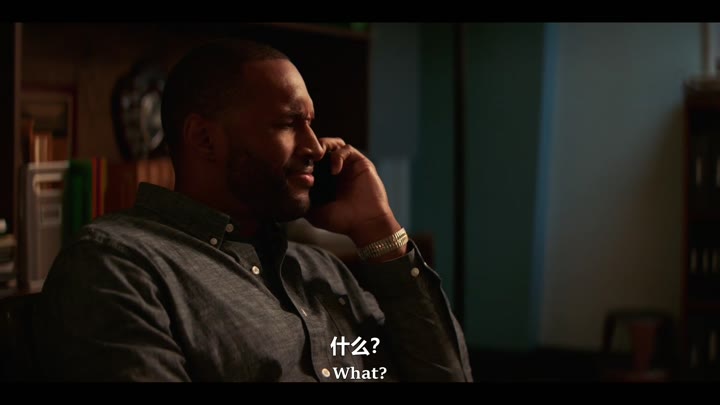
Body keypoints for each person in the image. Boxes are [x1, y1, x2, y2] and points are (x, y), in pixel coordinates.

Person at [32, 38, 473, 382]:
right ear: (204, 139)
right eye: (287, 123)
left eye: (311, 124)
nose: (315, 147)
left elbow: (447, 375)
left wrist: (379, 229)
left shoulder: (322, 271)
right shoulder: (119, 265)